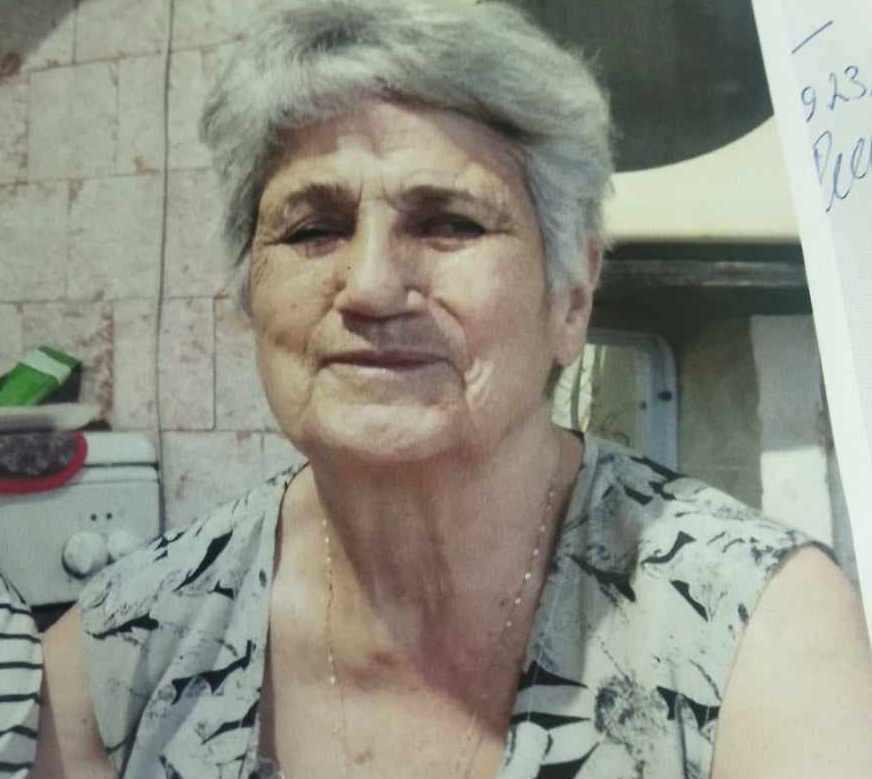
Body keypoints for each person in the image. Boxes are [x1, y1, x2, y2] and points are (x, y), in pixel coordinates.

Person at [31, 1, 872, 777]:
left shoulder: (755, 634)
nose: (370, 285)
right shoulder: (115, 664)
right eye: (315, 227)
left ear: (570, 296)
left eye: (449, 223)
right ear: (250, 290)